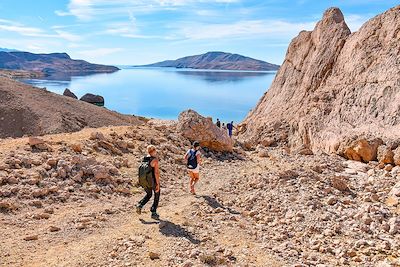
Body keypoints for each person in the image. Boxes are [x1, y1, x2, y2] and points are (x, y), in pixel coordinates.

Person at [136, 145, 161, 219]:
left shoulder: (144, 159)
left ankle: (140, 205)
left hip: (144, 181)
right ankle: (153, 212)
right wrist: (158, 184)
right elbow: (156, 173)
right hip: (152, 181)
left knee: (149, 194)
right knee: (157, 193)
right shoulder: (155, 160)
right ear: (154, 151)